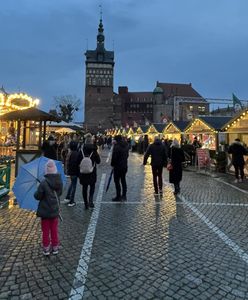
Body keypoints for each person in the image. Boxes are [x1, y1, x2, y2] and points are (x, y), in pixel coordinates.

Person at [34, 159, 63, 256]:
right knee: (54, 229)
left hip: (45, 212)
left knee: (45, 231)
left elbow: (37, 196)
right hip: (55, 210)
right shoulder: (59, 181)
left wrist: (39, 188)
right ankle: (55, 247)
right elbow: (59, 193)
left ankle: (46, 248)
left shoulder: (43, 183)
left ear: (46, 171)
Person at [78, 133, 101, 209]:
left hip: (83, 173)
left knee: (84, 188)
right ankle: (91, 200)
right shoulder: (94, 151)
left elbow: (77, 161)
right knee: (92, 186)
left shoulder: (81, 150)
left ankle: (85, 204)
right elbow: (98, 161)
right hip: (92, 172)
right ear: (91, 142)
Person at [111, 135, 129, 201]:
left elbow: (114, 158)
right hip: (124, 166)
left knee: (117, 181)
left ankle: (118, 196)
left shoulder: (116, 147)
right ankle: (124, 196)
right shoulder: (126, 146)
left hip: (117, 167)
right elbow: (127, 156)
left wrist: (112, 164)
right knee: (123, 180)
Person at [63, 141, 80, 207]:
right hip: (74, 172)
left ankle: (67, 197)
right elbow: (77, 163)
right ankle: (71, 201)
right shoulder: (76, 153)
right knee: (74, 186)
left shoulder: (70, 153)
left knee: (72, 184)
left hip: (70, 171)